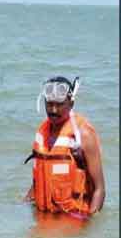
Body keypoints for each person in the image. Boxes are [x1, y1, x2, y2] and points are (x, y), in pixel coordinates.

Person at [24, 76, 105, 218]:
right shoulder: (42, 133)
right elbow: (41, 177)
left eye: (60, 104)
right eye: (49, 104)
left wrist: (89, 231)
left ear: (71, 103)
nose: (53, 110)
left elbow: (100, 189)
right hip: (43, 216)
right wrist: (22, 203)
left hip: (73, 219)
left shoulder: (83, 135)